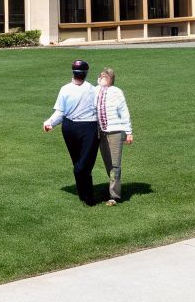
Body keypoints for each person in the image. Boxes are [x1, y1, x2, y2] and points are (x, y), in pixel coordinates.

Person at [43, 57, 102, 204]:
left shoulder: (93, 90)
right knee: (78, 162)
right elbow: (60, 112)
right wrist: (50, 122)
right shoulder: (65, 89)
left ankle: (88, 197)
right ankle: (85, 195)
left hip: (89, 127)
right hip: (70, 128)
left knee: (83, 164)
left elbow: (101, 111)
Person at [95, 67, 135, 206]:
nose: (103, 78)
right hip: (100, 132)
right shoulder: (95, 91)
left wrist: (128, 132)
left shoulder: (117, 92)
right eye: (101, 76)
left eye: (106, 76)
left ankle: (114, 196)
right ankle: (113, 186)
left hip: (115, 132)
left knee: (115, 164)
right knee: (108, 164)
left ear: (111, 78)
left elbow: (124, 112)